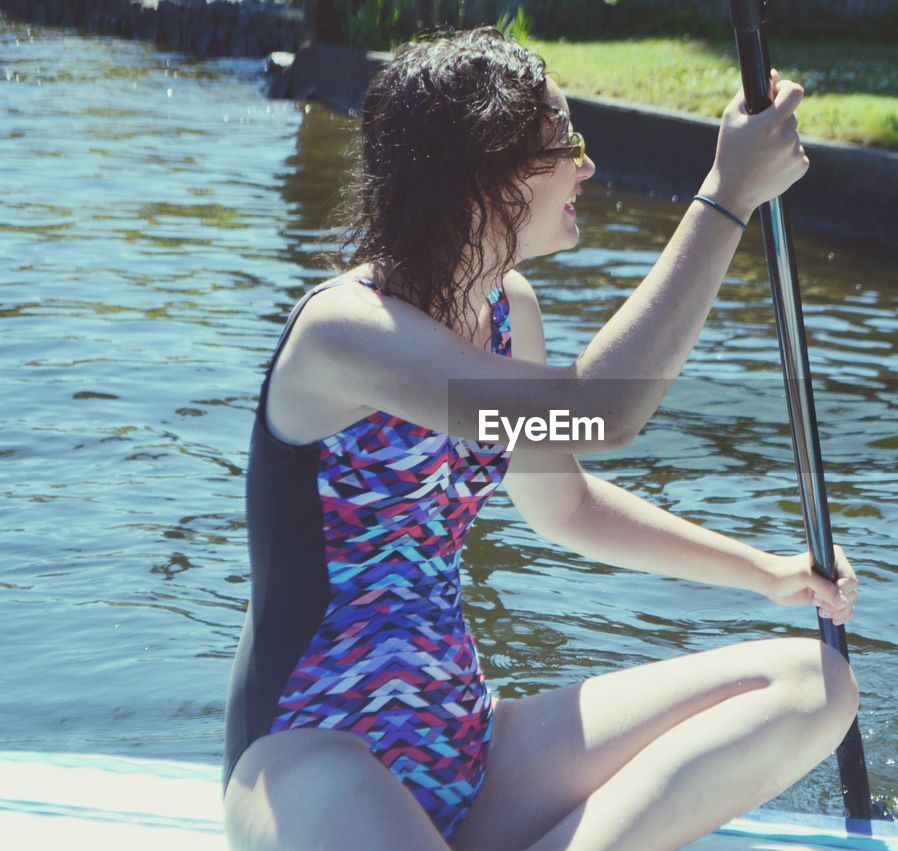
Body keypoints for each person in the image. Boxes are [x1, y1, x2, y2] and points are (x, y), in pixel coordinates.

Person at [222, 25, 859, 851]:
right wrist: (727, 195)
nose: (587, 167)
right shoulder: (348, 334)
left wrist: (765, 573)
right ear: (485, 175)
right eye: (565, 144)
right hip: (311, 758)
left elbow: (566, 504)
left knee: (815, 685)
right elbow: (602, 411)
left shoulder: (506, 311)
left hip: (469, 747)